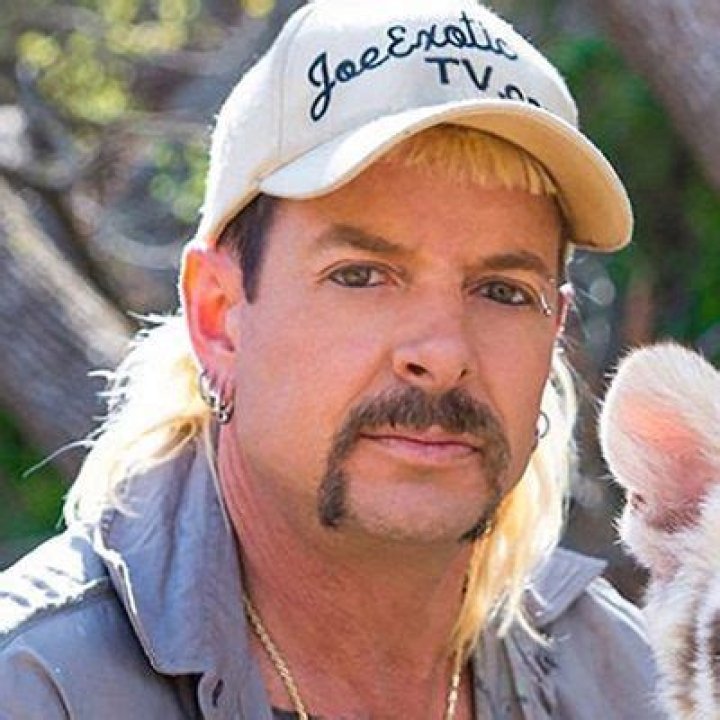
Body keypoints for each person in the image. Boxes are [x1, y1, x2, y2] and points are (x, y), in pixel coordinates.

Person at [0, 1, 662, 718]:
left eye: (503, 290)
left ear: (554, 332)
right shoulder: (37, 687)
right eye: (362, 275)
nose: (443, 355)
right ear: (219, 316)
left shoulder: (626, 680)